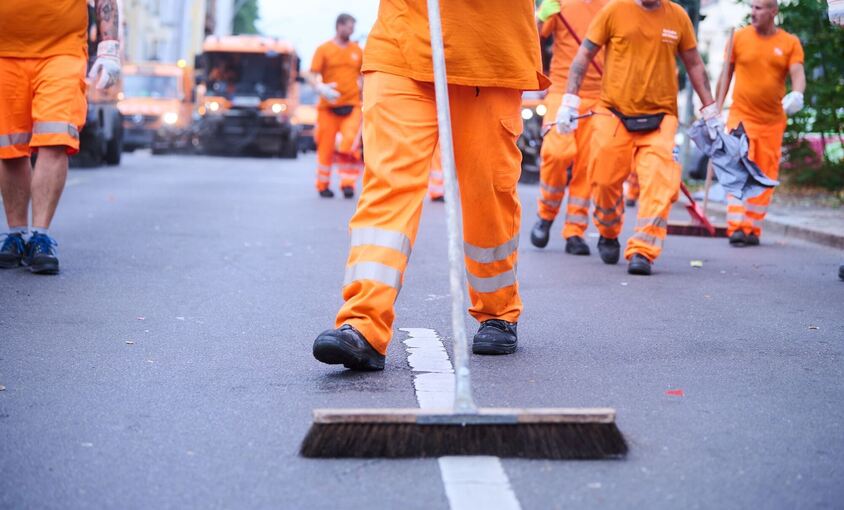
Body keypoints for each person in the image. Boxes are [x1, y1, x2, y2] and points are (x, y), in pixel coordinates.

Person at [311, 0, 550, 370]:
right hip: (402, 47)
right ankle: (363, 322)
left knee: (487, 191)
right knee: (388, 185)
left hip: (489, 56)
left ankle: (497, 311)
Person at [560, 0, 721, 275]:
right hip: (614, 114)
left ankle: (643, 251)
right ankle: (608, 231)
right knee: (603, 181)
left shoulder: (678, 17)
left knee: (659, 185)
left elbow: (694, 64)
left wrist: (710, 110)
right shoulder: (613, 11)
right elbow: (584, 56)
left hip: (660, 118)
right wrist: (569, 100)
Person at [0, 0, 120, 274]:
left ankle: (40, 235)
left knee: (55, 138)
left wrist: (109, 48)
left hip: (61, 53)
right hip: (4, 54)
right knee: (8, 147)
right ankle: (16, 235)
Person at [721, 0, 805, 247]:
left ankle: (752, 228)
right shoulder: (738, 38)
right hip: (740, 117)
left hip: (771, 122)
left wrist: (797, 94)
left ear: (773, 12)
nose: (753, 12)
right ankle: (736, 227)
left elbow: (798, 73)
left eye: (759, 8)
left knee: (765, 175)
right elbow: (726, 75)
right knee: (737, 170)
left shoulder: (789, 43)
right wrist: (715, 108)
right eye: (752, 7)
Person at [530, 0, 607, 256]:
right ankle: (545, 214)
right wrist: (542, 15)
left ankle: (575, 230)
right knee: (556, 152)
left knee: (588, 165)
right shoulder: (559, 2)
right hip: (562, 90)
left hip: (599, 96)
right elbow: (533, 36)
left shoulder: (616, 5)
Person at [308, 13, 364, 199]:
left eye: (353, 28)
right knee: (325, 147)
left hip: (352, 105)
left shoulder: (357, 51)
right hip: (328, 107)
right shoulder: (323, 49)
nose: (352, 31)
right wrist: (319, 86)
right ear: (339, 26)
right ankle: (322, 185)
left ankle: (347, 184)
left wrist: (365, 92)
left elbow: (363, 75)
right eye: (349, 27)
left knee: (350, 143)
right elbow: (311, 73)